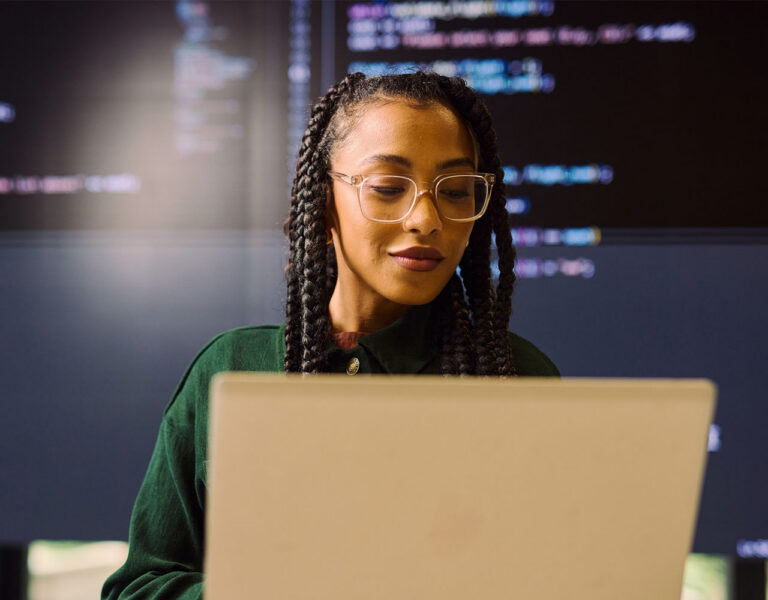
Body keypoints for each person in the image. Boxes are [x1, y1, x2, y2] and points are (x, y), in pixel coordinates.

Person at [101, 71, 558, 600]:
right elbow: (138, 588)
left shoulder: (514, 378)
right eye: (388, 188)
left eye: (455, 191)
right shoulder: (231, 368)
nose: (427, 219)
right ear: (323, 200)